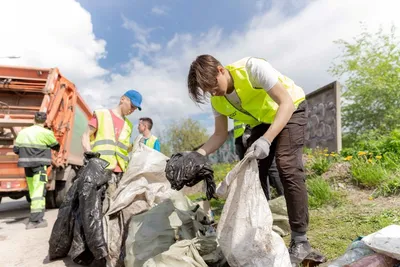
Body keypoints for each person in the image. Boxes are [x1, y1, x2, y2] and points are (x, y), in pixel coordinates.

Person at [187, 55, 314, 265]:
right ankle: (261, 229)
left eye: (212, 85)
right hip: (263, 121)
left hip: (290, 109)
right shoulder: (217, 100)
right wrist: (197, 154)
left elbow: (286, 103)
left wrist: (266, 140)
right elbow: (219, 135)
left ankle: (300, 240)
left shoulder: (253, 69)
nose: (212, 91)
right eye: (207, 90)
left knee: (287, 165)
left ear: (220, 70)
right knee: (252, 172)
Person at [81, 90, 142, 197]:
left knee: (114, 208)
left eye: (135, 109)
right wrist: (89, 154)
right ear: (123, 99)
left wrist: (134, 146)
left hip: (120, 173)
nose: (132, 110)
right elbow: (85, 136)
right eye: (131, 106)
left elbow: (121, 148)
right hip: (101, 169)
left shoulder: (128, 125)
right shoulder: (102, 115)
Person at [13, 112, 60, 230]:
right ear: (44, 121)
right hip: (39, 166)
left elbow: (16, 149)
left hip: (27, 166)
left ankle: (34, 218)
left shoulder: (23, 132)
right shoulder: (46, 133)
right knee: (39, 192)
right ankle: (36, 220)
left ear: (34, 119)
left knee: (33, 191)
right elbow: (56, 146)